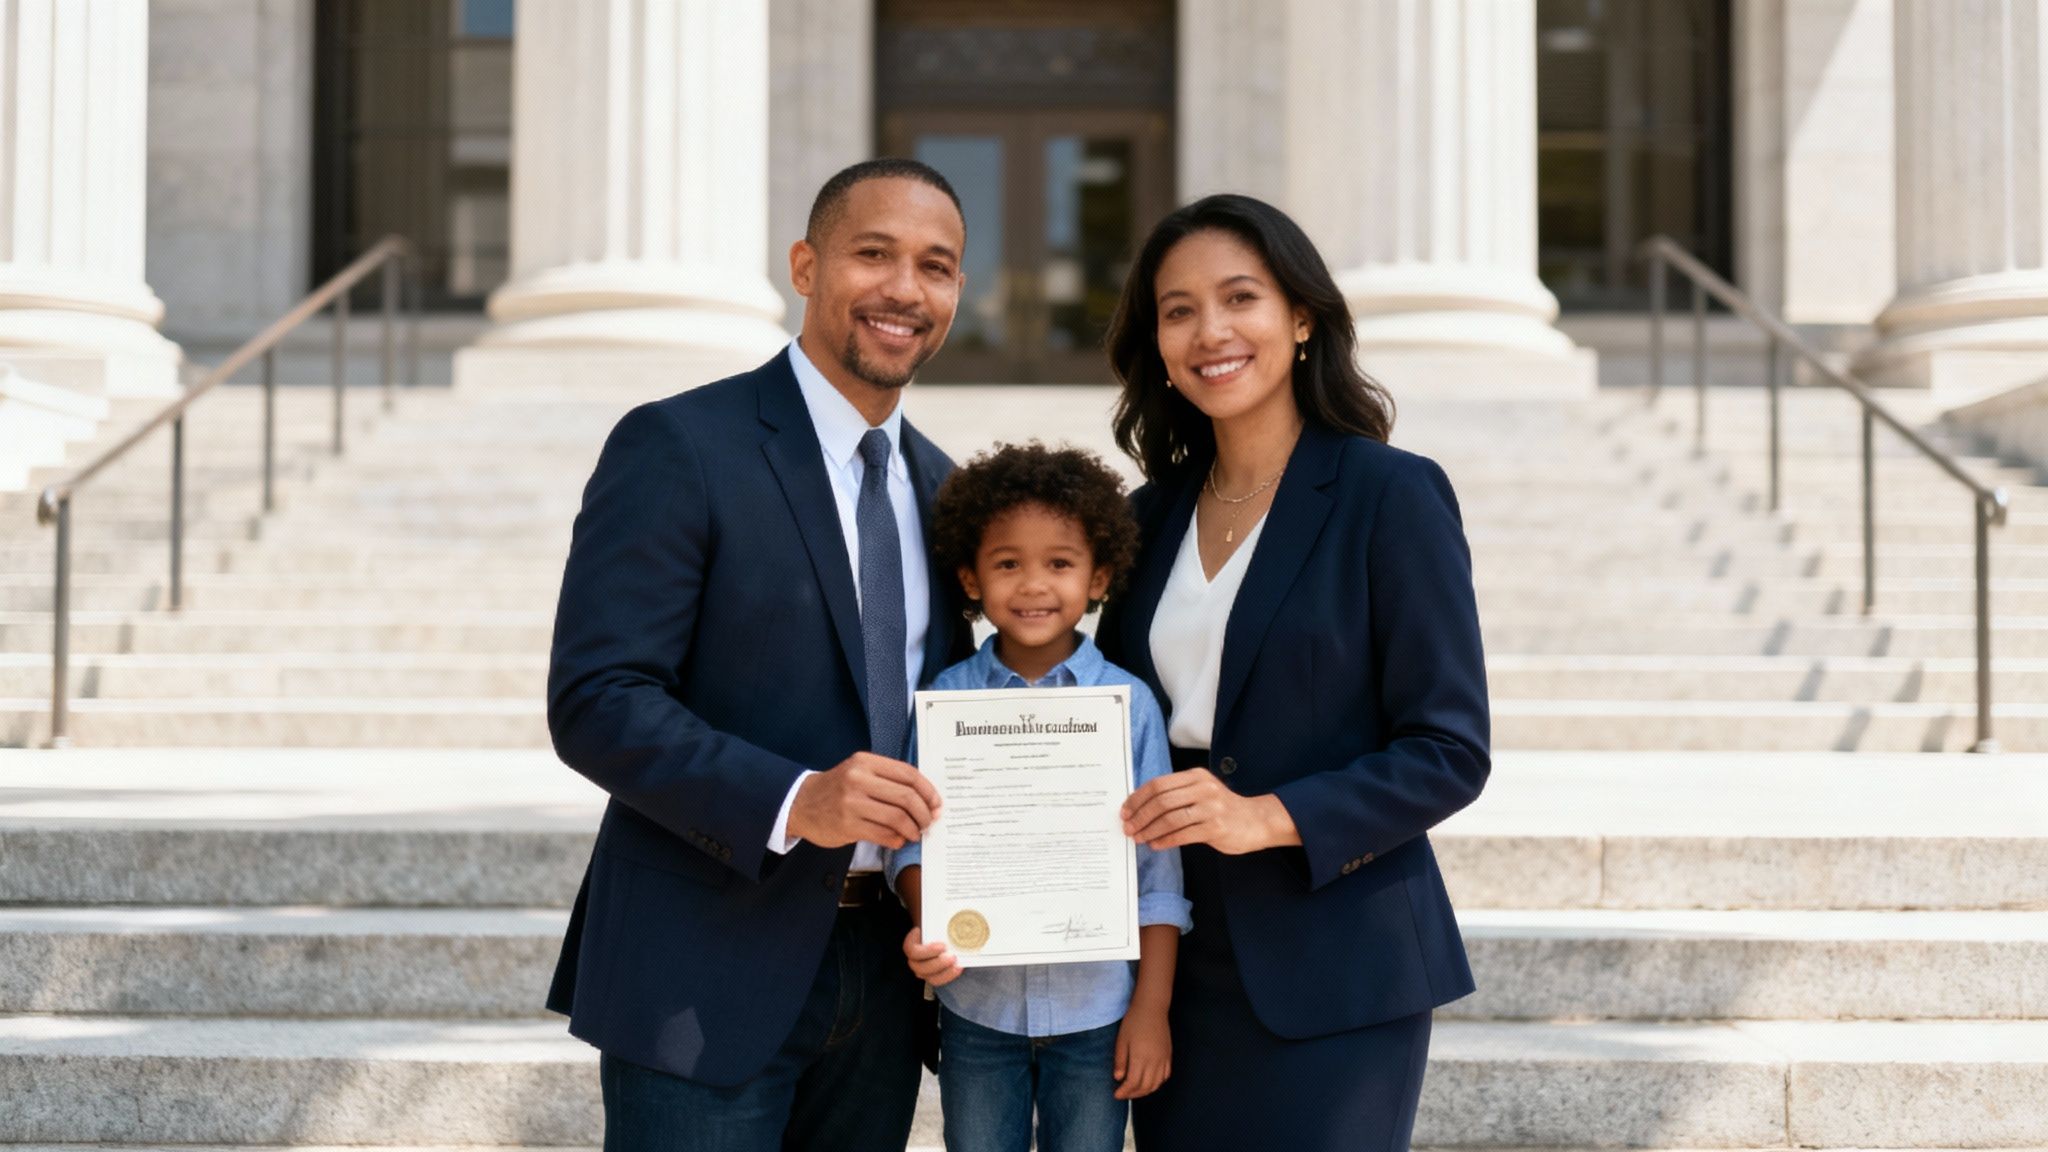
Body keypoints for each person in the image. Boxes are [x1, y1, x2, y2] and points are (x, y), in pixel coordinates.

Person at [544, 158, 975, 1152]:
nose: (904, 290)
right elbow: (598, 699)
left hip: (884, 974)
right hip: (702, 961)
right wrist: (797, 800)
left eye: (936, 266)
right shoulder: (679, 445)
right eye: (874, 254)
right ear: (805, 266)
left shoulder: (948, 491)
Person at [1095, 193, 1492, 1151]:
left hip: (1335, 959)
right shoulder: (1145, 519)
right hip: (1171, 965)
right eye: (1178, 309)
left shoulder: (1388, 495)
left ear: (1302, 318)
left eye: (1241, 298)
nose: (1210, 332)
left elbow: (1448, 749)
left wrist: (1261, 817)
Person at [890, 442, 1191, 1152]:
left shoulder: (1129, 705)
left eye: (1059, 563)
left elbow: (1158, 876)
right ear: (970, 576)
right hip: (976, 1010)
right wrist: (927, 918)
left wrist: (1151, 1008)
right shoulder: (943, 702)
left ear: (1100, 577)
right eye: (1007, 564)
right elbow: (909, 840)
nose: (1033, 585)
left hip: (1098, 1013)